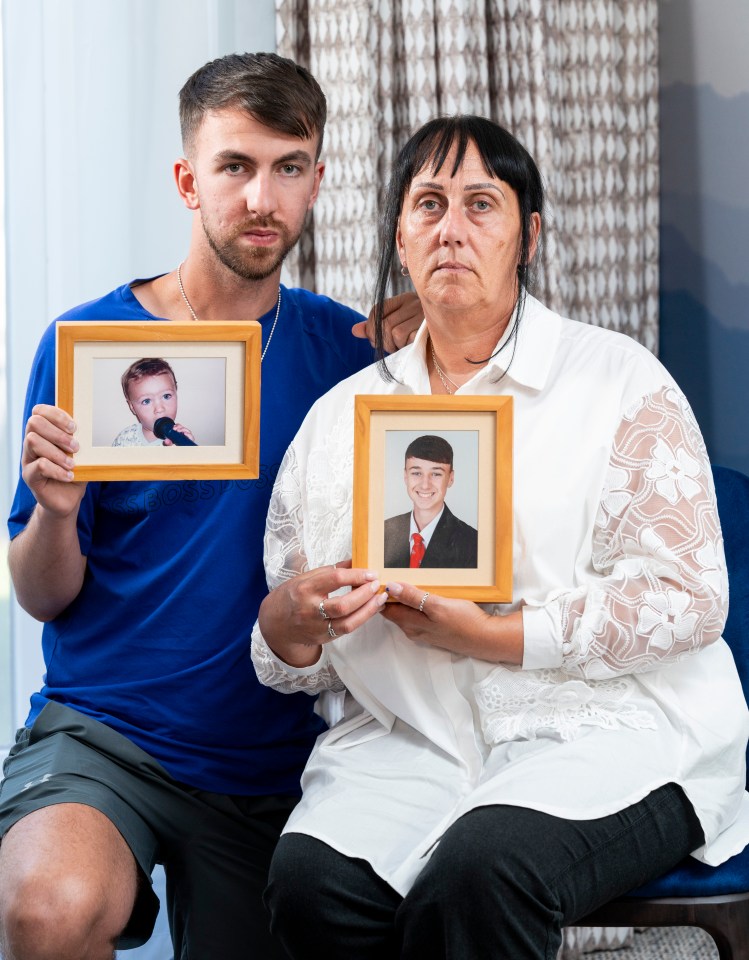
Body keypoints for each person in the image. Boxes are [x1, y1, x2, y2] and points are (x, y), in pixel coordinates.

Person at [252, 115, 749, 960]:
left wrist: (500, 636)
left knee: (482, 874)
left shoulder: (618, 381)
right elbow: (292, 651)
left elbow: (692, 599)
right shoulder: (340, 423)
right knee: (309, 884)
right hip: (411, 740)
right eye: (428, 204)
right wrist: (290, 626)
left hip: (609, 734)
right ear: (401, 238)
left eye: (482, 204)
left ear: (528, 235)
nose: (451, 228)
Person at [0, 52, 421, 960]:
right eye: (235, 167)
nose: (261, 199)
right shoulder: (88, 348)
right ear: (191, 180)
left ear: (317, 180)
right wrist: (59, 512)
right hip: (107, 731)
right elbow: (40, 595)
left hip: (279, 764)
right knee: (46, 909)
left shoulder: (351, 357)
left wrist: (435, 346)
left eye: (288, 167)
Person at [384, 434, 478, 568]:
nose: (425, 485)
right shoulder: (383, 533)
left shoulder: (473, 543)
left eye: (436, 474)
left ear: (451, 478)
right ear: (406, 476)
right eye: (416, 473)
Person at [112, 357, 196, 446]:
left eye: (166, 396)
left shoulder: (181, 440)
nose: (159, 409)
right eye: (146, 401)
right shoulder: (125, 439)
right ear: (132, 407)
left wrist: (189, 451)